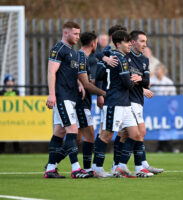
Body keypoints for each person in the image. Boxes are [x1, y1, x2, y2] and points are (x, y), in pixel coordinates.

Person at [93, 30, 152, 178]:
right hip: (115, 102)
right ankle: (97, 167)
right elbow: (127, 83)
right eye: (127, 42)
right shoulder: (120, 58)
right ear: (119, 44)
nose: (129, 44)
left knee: (135, 133)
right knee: (106, 135)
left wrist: (104, 62)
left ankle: (121, 166)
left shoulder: (115, 57)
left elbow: (99, 74)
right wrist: (136, 81)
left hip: (125, 103)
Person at [111, 30, 164, 175]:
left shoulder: (144, 60)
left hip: (138, 100)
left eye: (146, 42)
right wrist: (104, 58)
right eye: (142, 41)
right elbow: (122, 78)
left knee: (127, 135)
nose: (145, 45)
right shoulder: (124, 56)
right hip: (128, 100)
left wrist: (140, 80)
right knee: (138, 133)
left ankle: (121, 166)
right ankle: (136, 166)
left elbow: (147, 82)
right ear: (132, 42)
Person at [44, 21, 91, 179]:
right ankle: (76, 169)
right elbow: (52, 72)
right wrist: (52, 95)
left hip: (70, 97)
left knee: (59, 132)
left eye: (79, 33)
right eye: (75, 33)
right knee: (73, 130)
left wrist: (80, 84)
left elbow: (68, 72)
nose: (78, 36)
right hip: (62, 96)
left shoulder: (73, 52)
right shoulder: (58, 49)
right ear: (66, 33)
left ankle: (50, 169)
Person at [75, 32, 106, 176]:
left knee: (77, 138)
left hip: (84, 102)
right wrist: (104, 94)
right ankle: (86, 169)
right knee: (88, 136)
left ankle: (52, 163)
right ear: (93, 43)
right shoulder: (81, 57)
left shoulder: (84, 58)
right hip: (80, 102)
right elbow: (86, 84)